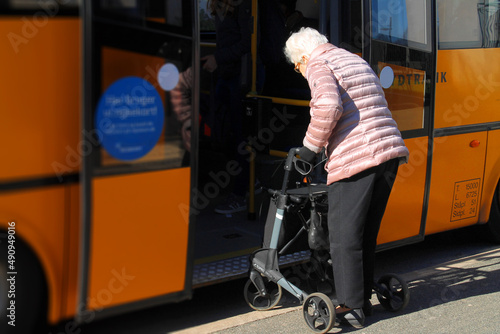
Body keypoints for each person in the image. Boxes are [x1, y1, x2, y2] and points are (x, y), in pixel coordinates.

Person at [284, 27, 410, 328]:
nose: (300, 71)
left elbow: (328, 106)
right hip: (389, 155)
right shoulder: (354, 60)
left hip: (358, 159)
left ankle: (351, 306)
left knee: (343, 238)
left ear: (303, 57)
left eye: (296, 66)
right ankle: (363, 296)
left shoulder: (318, 63)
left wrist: (309, 150)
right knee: (365, 233)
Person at [201, 0, 253, 214]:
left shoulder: (244, 6)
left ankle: (242, 191)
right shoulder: (219, 7)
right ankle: (248, 180)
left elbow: (247, 43)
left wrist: (218, 58)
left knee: (240, 136)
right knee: (222, 133)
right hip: (225, 75)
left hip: (240, 77)